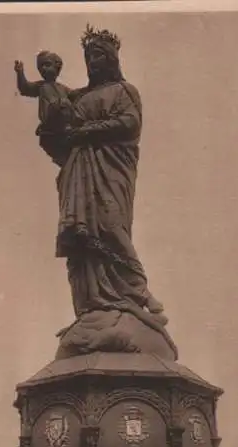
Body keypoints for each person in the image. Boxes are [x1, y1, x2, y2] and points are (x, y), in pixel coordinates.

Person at [39, 26, 165, 325]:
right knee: (80, 238)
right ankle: (89, 304)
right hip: (78, 173)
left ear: (111, 59)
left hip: (111, 169)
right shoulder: (76, 96)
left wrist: (83, 132)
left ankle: (137, 291)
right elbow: (56, 136)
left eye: (98, 55)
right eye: (88, 56)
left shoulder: (124, 91)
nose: (92, 62)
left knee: (110, 224)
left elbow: (129, 123)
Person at [14, 51, 76, 161]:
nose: (43, 69)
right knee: (62, 104)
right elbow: (25, 88)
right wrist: (20, 73)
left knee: (66, 105)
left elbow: (76, 96)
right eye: (41, 67)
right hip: (50, 119)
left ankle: (68, 126)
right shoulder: (41, 86)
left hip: (63, 121)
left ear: (57, 66)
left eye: (47, 65)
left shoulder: (63, 89)